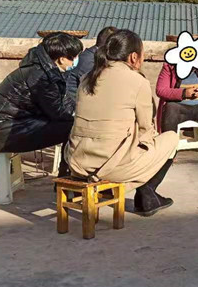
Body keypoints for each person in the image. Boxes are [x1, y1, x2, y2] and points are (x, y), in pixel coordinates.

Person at [63, 30, 179, 216]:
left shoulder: (87, 78)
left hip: (77, 162)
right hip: (110, 167)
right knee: (171, 139)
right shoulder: (137, 81)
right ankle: (147, 194)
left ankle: (144, 193)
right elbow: (146, 127)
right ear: (134, 57)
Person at [0, 32, 83, 154]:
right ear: (62, 59)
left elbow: (64, 101)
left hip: (8, 127)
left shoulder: (45, 69)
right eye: (75, 57)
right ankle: (71, 165)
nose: (76, 61)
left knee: (75, 123)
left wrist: (79, 110)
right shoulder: (41, 76)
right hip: (0, 133)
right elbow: (57, 112)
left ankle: (68, 164)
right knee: (75, 127)